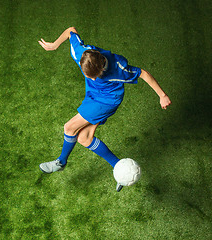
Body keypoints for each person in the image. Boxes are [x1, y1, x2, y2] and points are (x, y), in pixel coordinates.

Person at [38, 27, 171, 191]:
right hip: (92, 95)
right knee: (84, 138)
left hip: (107, 100)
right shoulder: (81, 53)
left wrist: (162, 95)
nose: (91, 78)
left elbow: (143, 73)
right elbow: (71, 31)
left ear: (102, 67)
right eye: (88, 75)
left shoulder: (118, 68)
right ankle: (118, 168)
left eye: (95, 76)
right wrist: (55, 45)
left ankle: (61, 162)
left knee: (69, 127)